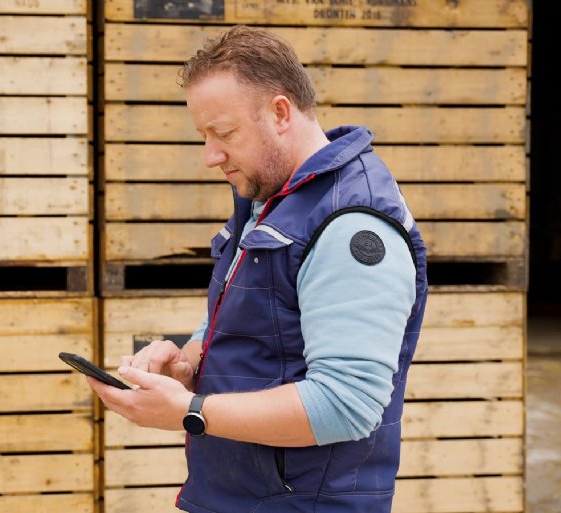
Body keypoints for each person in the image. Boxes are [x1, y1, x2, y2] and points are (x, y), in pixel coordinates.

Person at [87, 25, 428, 513]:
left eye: (223, 133)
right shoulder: (271, 200)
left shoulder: (349, 225)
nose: (210, 156)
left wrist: (189, 411)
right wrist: (185, 367)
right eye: (204, 136)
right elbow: (263, 338)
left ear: (280, 112)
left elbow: (347, 405)